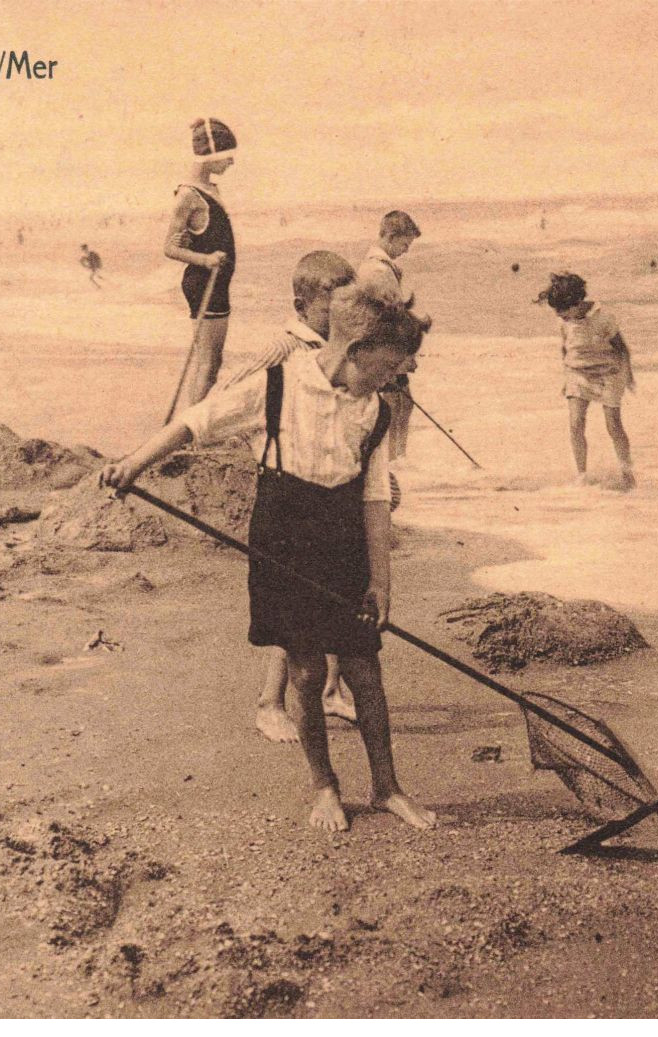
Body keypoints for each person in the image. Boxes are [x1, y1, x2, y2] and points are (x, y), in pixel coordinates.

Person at [99, 283, 437, 835]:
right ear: (353, 349)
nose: (389, 381)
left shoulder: (372, 409)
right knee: (304, 670)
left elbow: (375, 497)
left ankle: (387, 787)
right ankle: (324, 785)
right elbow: (197, 422)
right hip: (283, 537)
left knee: (364, 670)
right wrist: (134, 462)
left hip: (345, 536)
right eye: (385, 369)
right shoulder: (277, 384)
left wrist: (382, 579)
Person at [223, 250, 366, 744]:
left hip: (330, 487)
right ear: (302, 303)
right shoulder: (285, 347)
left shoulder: (336, 348)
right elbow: (232, 392)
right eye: (332, 304)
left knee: (331, 596)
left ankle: (329, 691)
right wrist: (265, 443)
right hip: (287, 488)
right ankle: (269, 702)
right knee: (294, 611)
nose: (342, 313)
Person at [537, 272, 635, 489]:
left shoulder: (603, 318)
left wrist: (628, 375)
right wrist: (567, 378)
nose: (559, 315)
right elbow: (565, 348)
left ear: (576, 303)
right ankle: (582, 475)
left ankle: (627, 473)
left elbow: (622, 349)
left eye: (563, 311)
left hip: (608, 372)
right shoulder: (564, 321)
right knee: (575, 423)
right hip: (577, 373)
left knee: (613, 425)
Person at [164, 117, 238, 407]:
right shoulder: (188, 195)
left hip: (215, 283)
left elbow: (194, 236)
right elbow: (170, 247)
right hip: (204, 282)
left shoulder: (210, 189)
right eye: (227, 155)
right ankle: (191, 430)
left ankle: (191, 424)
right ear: (211, 155)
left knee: (209, 364)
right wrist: (205, 259)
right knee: (208, 366)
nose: (231, 162)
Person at [357, 211, 421, 463]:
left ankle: (395, 460)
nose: (405, 251)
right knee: (396, 405)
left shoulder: (378, 267)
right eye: (404, 244)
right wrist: (404, 357)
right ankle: (394, 462)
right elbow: (392, 319)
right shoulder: (378, 270)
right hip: (384, 352)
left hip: (382, 351)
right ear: (391, 237)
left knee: (402, 405)